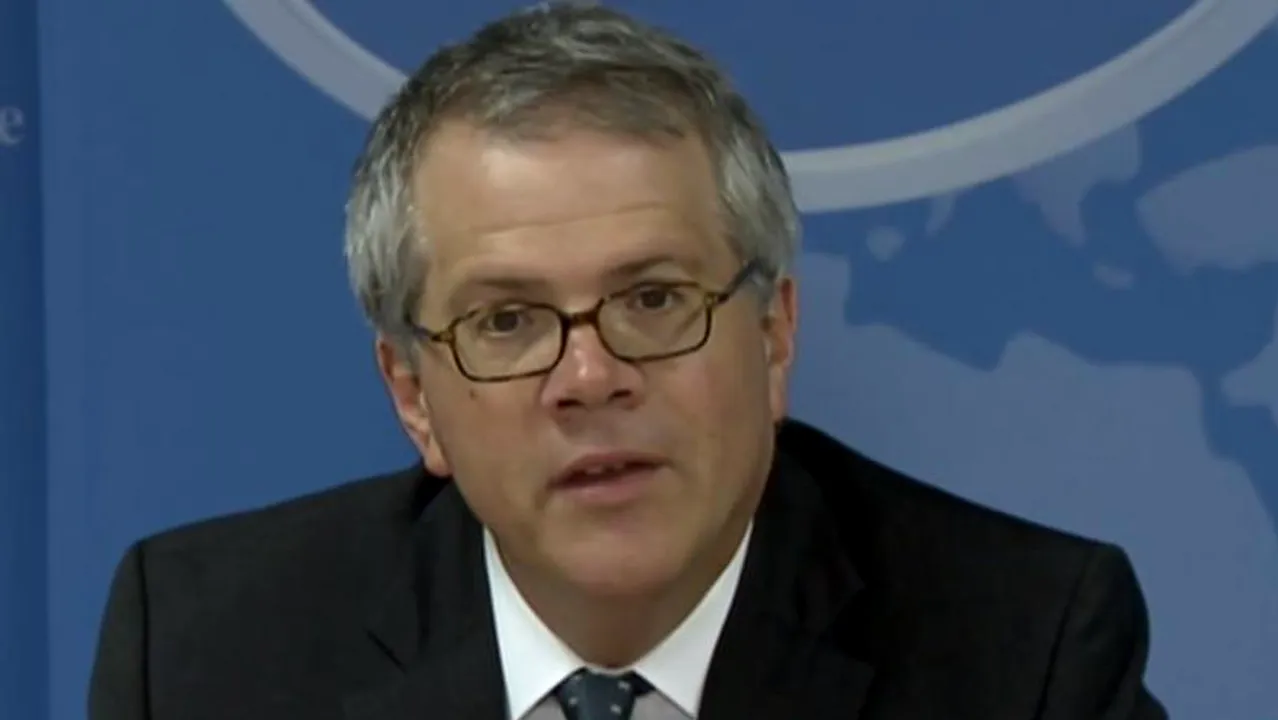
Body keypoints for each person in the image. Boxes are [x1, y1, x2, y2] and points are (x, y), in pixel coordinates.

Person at [88, 3, 1168, 719]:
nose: (589, 376)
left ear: (773, 336)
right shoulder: (207, 659)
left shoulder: (1023, 655)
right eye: (507, 321)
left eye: (652, 300)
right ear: (413, 397)